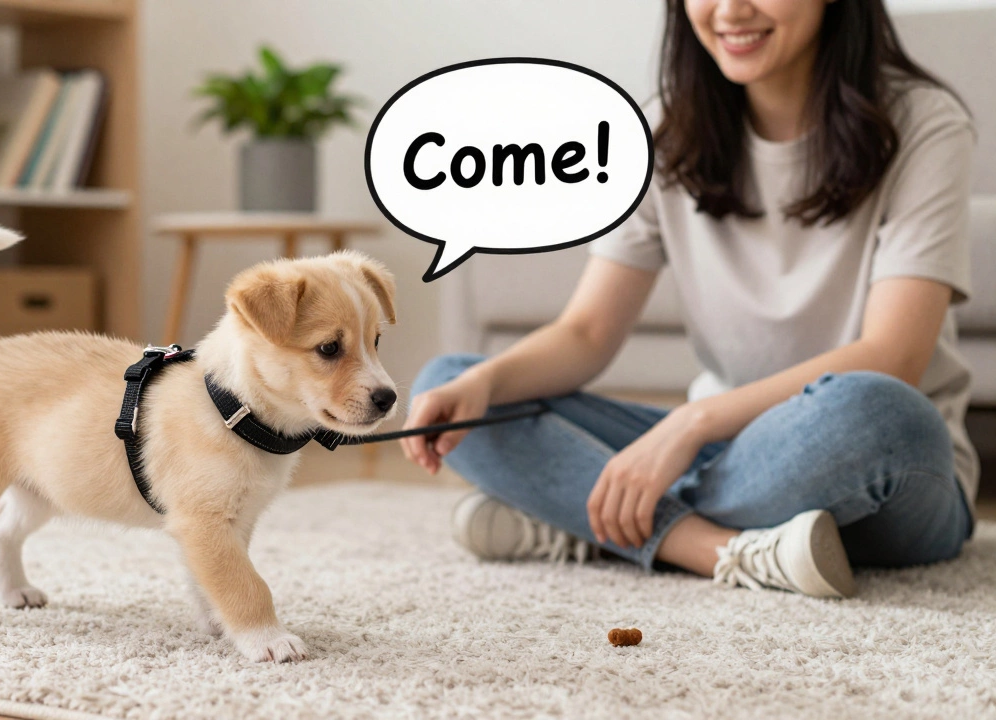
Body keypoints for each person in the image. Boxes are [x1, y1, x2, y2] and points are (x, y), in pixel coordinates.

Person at [403, 0, 977, 598]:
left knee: (877, 410)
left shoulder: (923, 122)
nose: (730, 10)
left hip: (884, 470)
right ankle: (715, 549)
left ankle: (587, 515)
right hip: (725, 455)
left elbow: (894, 356)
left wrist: (691, 422)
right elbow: (586, 333)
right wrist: (487, 382)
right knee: (450, 386)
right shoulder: (663, 133)